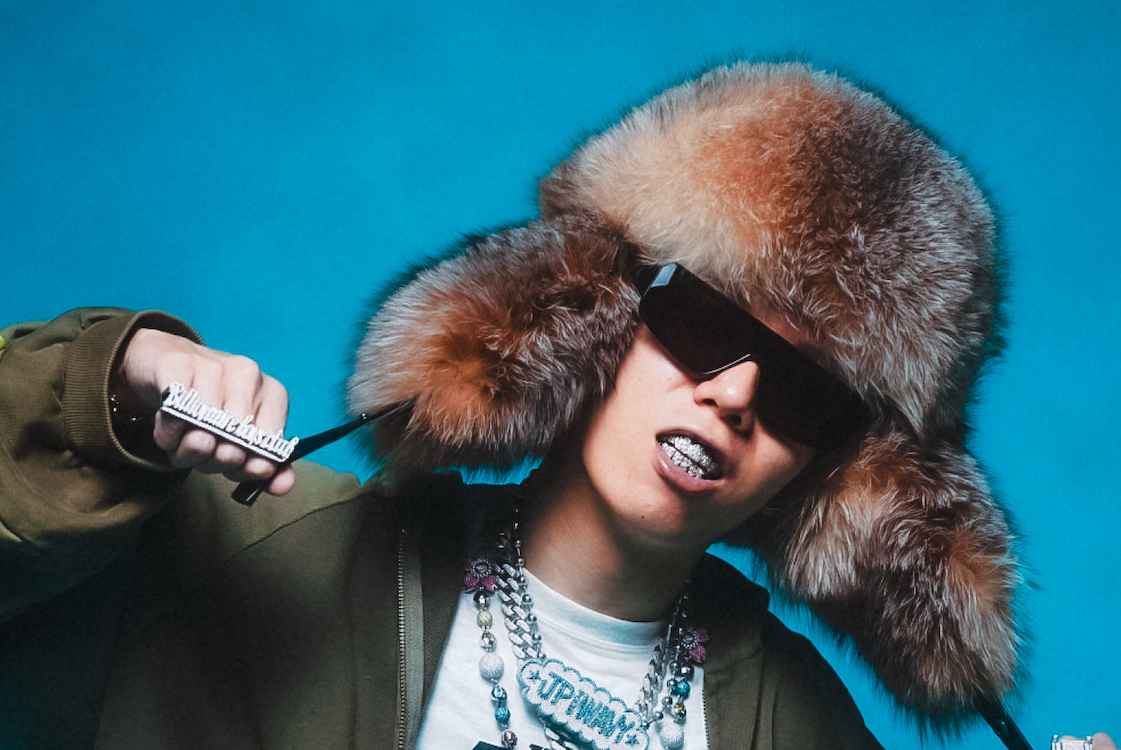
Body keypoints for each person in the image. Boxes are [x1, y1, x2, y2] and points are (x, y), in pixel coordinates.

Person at [1, 62, 1026, 750]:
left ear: (839, 470)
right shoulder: (268, 555)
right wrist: (108, 389)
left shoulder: (795, 725)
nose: (733, 394)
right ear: (586, 309)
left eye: (806, 391)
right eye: (704, 323)